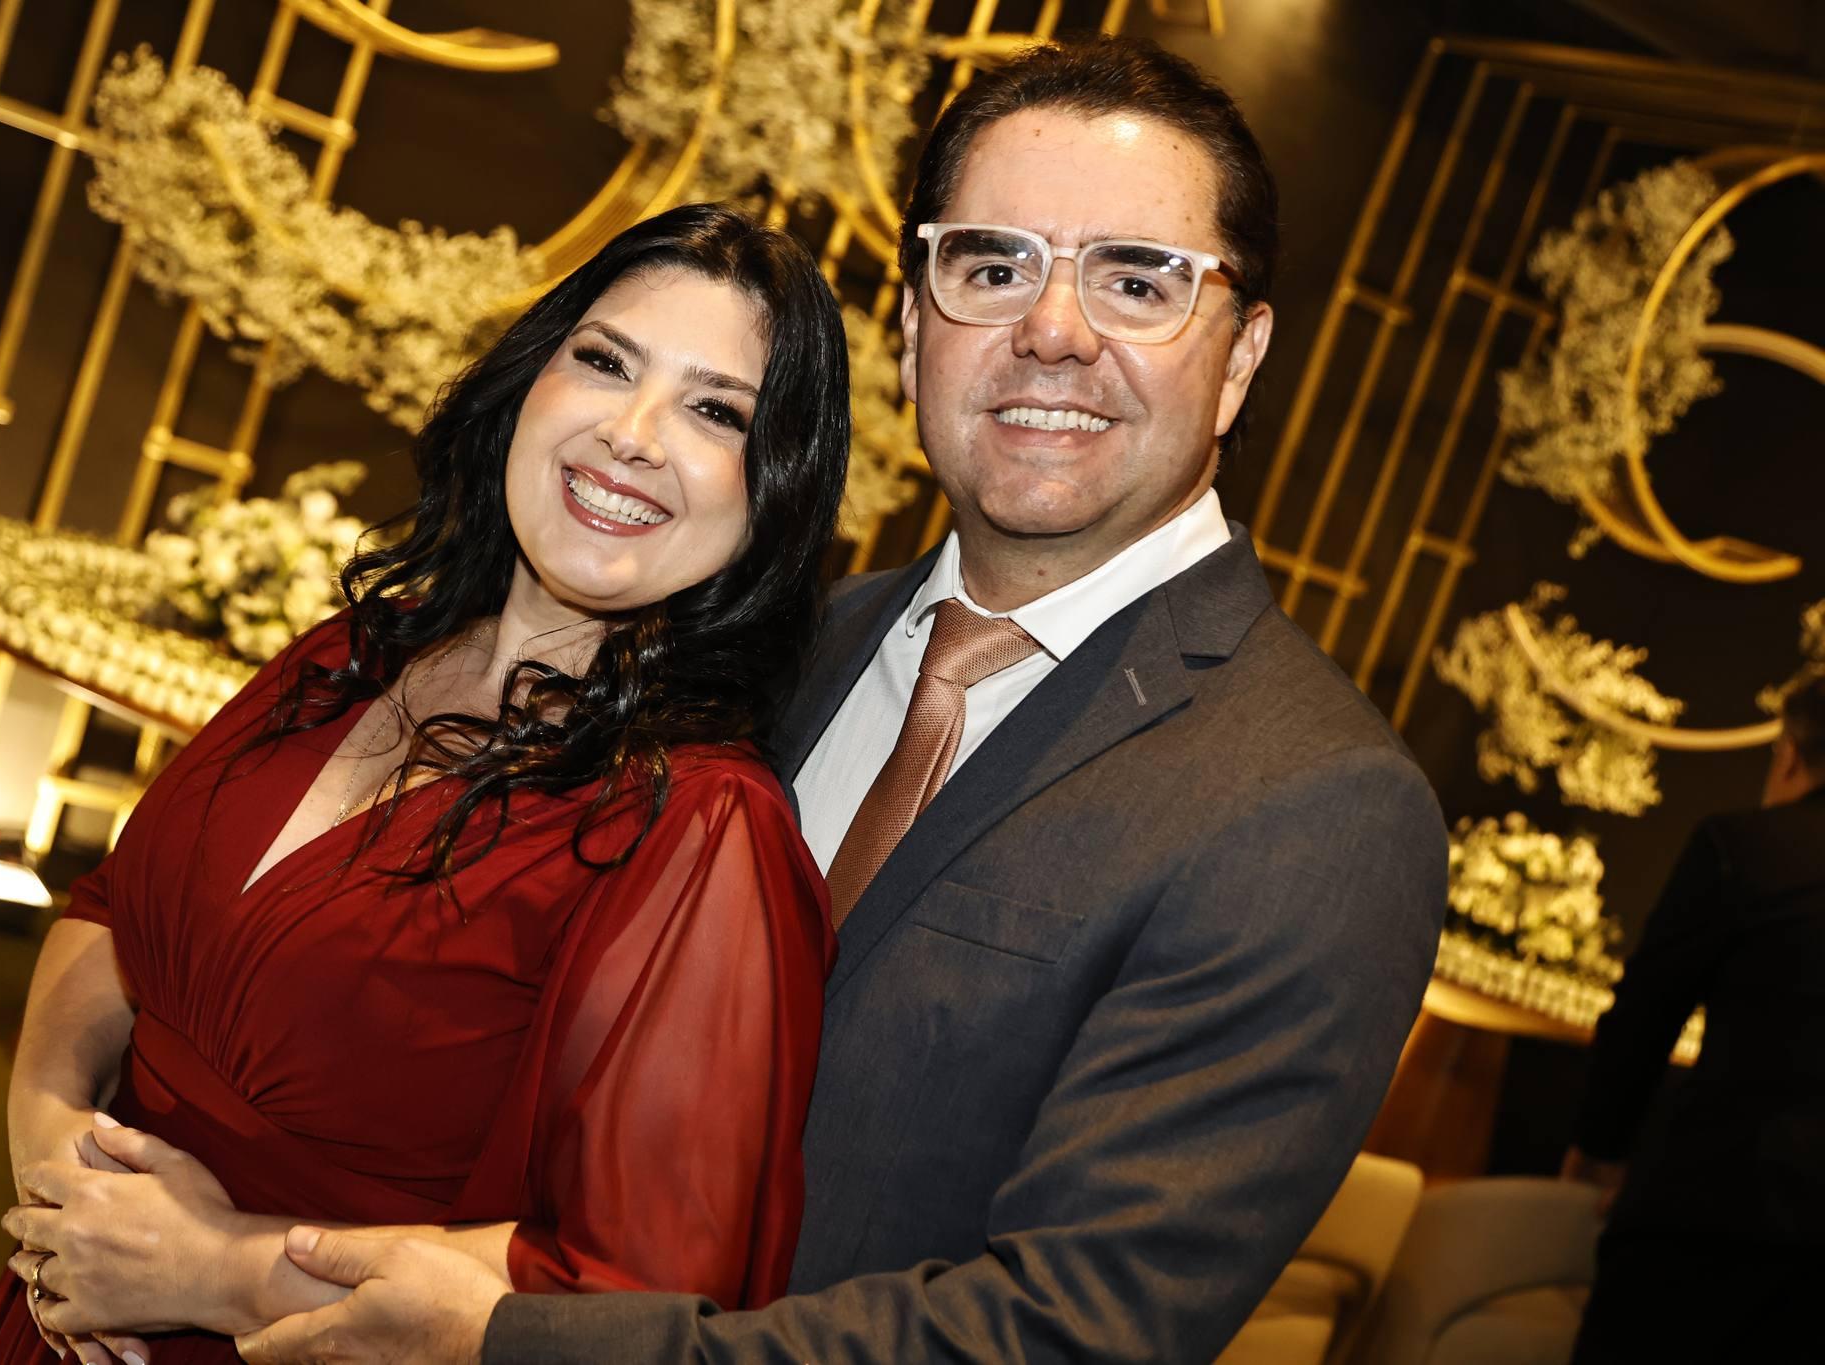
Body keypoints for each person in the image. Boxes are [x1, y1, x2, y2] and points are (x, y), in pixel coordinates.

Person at [235, 34, 1449, 1365]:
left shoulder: (1315, 806)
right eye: (993, 266)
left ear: (1241, 355)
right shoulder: (760, 645)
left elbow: (1071, 1331)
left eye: (1135, 281)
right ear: (917, 328)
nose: (1052, 331)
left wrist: (518, 1344)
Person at [0, 202, 853, 1365]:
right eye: (603, 361)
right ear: (528, 383)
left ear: (774, 491)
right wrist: (51, 1161)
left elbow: (631, 1293)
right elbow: (111, 910)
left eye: (714, 411)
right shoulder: (351, 655)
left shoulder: (697, 829)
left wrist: (212, 1271)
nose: (632, 434)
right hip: (58, 1300)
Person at [1563, 672, 1825, 1362]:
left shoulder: (1743, 848)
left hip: (1715, 1211)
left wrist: (1599, 1146)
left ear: (1790, 755)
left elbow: (1645, 1015)